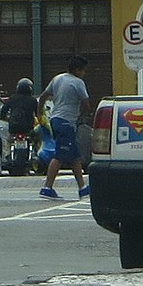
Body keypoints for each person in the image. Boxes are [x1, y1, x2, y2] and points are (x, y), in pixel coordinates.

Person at [38, 56, 92, 200]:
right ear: (77, 70)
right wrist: (82, 116)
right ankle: (47, 188)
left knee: (75, 156)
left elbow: (43, 96)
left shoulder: (57, 79)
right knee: (60, 155)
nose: (84, 73)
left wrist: (39, 113)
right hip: (66, 122)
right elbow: (86, 104)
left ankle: (82, 188)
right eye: (83, 71)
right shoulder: (78, 82)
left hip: (55, 119)